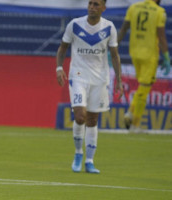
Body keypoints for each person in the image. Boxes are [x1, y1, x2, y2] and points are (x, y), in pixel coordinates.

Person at [56, 0, 124, 173]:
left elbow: (115, 56)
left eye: (96, 4)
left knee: (93, 120)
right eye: (90, 3)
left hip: (100, 79)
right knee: (80, 117)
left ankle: (90, 161)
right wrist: (59, 68)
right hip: (78, 76)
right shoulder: (75, 25)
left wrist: (119, 80)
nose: (92, 7)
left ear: (103, 8)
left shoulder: (109, 28)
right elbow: (62, 48)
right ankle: (78, 153)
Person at [117, 0, 170, 133]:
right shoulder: (159, 12)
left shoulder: (133, 8)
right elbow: (161, 36)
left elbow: (123, 28)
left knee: (142, 86)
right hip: (149, 55)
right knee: (145, 88)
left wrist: (113, 47)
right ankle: (133, 119)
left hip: (134, 53)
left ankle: (134, 120)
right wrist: (166, 56)